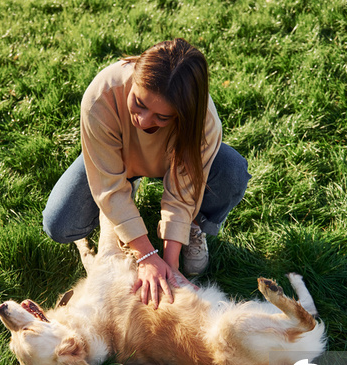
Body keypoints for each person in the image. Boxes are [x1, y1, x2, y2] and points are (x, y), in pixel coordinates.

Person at [42, 38, 251, 308]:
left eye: (161, 117)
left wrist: (169, 264)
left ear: (183, 114)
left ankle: (193, 225)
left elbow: (183, 191)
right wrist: (147, 255)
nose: (141, 121)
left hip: (171, 164)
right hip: (115, 161)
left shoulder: (204, 121)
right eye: (138, 103)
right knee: (60, 224)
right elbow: (107, 186)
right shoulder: (101, 95)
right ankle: (127, 195)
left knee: (232, 170)